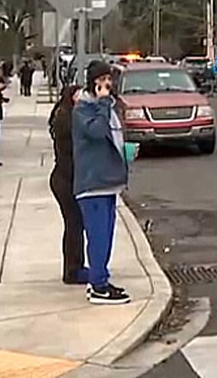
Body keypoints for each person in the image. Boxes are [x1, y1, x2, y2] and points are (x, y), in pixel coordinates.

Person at [73, 60, 131, 304]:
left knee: (106, 236)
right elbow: (96, 132)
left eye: (109, 79)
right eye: (102, 80)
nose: (107, 84)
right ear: (92, 83)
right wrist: (104, 103)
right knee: (97, 236)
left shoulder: (107, 107)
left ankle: (100, 279)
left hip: (109, 181)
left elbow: (113, 134)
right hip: (93, 182)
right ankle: (98, 286)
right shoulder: (83, 110)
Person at [49, 85, 88, 286]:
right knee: (73, 223)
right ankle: (72, 270)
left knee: (75, 224)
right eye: (79, 96)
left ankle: (76, 266)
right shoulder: (67, 120)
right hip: (65, 179)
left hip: (65, 178)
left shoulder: (66, 115)